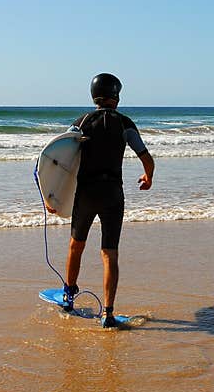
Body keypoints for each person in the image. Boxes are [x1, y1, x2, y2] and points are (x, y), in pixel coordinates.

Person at [49, 73, 155, 327]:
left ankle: (69, 298)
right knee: (110, 254)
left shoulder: (82, 122)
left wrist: (51, 196)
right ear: (116, 97)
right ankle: (108, 314)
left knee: (76, 246)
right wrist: (148, 177)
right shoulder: (125, 123)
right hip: (112, 194)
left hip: (86, 193)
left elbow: (58, 161)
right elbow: (146, 157)